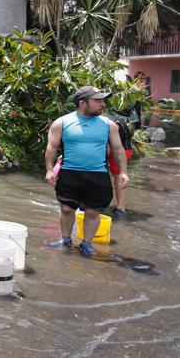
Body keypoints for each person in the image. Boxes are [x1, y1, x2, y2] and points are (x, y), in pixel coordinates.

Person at [44, 86, 129, 257]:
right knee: (67, 209)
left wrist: (123, 172)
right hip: (69, 172)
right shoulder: (62, 123)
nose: (102, 104)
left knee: (92, 211)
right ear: (82, 103)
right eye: (97, 100)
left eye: (102, 100)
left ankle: (87, 244)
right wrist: (49, 170)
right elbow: (51, 148)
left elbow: (119, 150)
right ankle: (66, 240)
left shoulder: (109, 125)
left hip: (97, 174)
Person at [106, 117, 134, 217]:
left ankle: (121, 207)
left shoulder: (114, 125)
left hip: (122, 149)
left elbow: (109, 147)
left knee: (118, 176)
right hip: (106, 146)